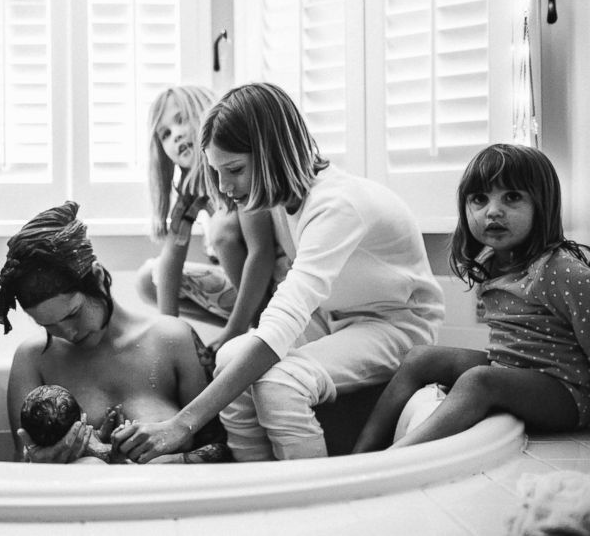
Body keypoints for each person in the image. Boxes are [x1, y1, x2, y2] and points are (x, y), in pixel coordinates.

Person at [112, 82, 445, 462]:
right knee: (229, 359)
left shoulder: (337, 206)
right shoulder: (278, 199)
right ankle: (253, 480)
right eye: (217, 172)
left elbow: (283, 319)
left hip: (395, 322)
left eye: (234, 169)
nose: (224, 186)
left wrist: (183, 424)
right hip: (330, 316)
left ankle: (308, 496)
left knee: (279, 383)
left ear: (271, 153)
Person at [353, 144, 590, 452]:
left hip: (567, 394)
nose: (492, 211)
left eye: (512, 197)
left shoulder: (562, 271)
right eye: (480, 199)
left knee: (479, 381)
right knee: (420, 357)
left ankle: (394, 460)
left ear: (542, 205)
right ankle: (359, 454)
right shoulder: (493, 259)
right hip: (513, 370)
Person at [0, 201, 230, 464]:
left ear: (96, 277)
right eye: (48, 325)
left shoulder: (172, 340)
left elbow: (225, 450)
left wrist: (170, 463)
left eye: (73, 314)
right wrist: (45, 465)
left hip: (164, 498)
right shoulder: (34, 359)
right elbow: (20, 465)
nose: (68, 332)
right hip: (78, 501)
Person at [136, 86, 283, 351]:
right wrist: (169, 338)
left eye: (182, 120)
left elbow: (261, 253)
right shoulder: (191, 193)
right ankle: (237, 327)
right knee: (149, 280)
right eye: (165, 134)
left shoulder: (238, 172)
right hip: (249, 295)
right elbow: (171, 258)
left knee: (221, 230)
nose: (176, 135)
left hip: (275, 288)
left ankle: (254, 327)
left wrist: (234, 330)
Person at [19, 384, 125, 463]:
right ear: (81, 418)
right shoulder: (91, 452)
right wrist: (116, 452)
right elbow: (106, 456)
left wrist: (101, 435)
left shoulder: (32, 452)